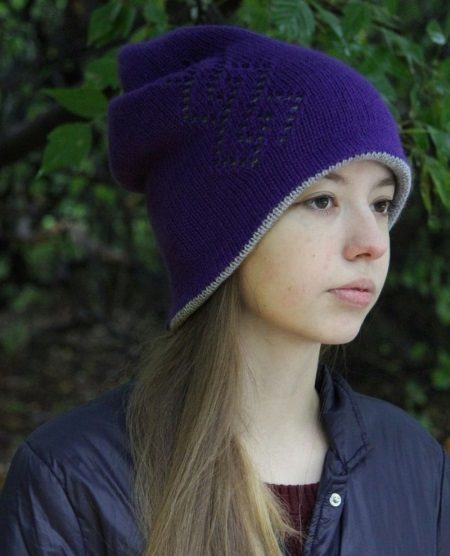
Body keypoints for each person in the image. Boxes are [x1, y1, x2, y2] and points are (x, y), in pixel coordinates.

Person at [0, 23, 448, 556]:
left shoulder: (416, 464)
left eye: (380, 203)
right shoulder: (72, 482)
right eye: (322, 201)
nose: (371, 243)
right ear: (222, 234)